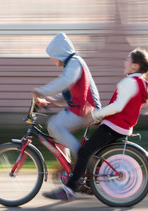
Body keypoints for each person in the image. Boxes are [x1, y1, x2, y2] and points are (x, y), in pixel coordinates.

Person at [43, 48, 148, 201]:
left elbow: (118, 107)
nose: (125, 62)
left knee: (84, 152)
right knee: (92, 151)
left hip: (113, 126)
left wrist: (94, 115)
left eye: (128, 59)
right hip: (122, 127)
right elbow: (126, 108)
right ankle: (88, 184)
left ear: (135, 66)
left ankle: (69, 189)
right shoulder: (141, 83)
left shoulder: (129, 82)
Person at [32, 32, 101, 160]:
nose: (51, 59)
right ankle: (67, 168)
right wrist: (51, 101)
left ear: (60, 53)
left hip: (86, 110)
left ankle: (83, 158)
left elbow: (65, 81)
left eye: (52, 55)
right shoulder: (72, 64)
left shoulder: (74, 62)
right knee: (57, 131)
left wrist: (42, 91)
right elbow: (71, 91)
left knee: (54, 125)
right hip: (82, 109)